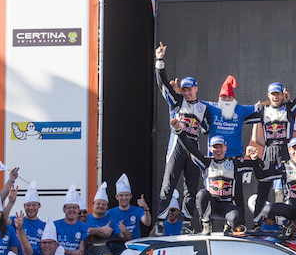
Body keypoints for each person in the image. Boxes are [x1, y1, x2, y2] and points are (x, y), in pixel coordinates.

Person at [250, 55, 296, 227]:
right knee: (263, 187)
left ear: (282, 95)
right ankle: (258, 223)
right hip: (268, 152)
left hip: (285, 152)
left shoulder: (289, 110)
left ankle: (292, 223)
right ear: (269, 95)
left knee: (290, 187)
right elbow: (239, 116)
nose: (275, 97)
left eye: (278, 94)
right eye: (272, 94)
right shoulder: (262, 111)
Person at [171, 120, 261, 234]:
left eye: (220, 147)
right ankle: (206, 224)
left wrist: (255, 158)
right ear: (210, 149)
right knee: (202, 194)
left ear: (225, 148)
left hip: (227, 205)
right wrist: (179, 131)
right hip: (211, 204)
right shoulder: (206, 162)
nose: (218, 150)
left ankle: (228, 225)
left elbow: (257, 167)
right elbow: (191, 148)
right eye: (215, 147)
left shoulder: (234, 164)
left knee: (237, 219)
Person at [155, 42, 209, 230]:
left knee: (191, 187)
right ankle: (160, 223)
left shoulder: (203, 107)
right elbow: (163, 86)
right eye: (184, 89)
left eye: (189, 89)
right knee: (168, 184)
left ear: (196, 88)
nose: (186, 92)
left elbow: (208, 128)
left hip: (193, 147)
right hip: (177, 144)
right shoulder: (177, 102)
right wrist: (159, 61)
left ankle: (187, 222)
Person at [11, 181, 46, 255]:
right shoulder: (16, 220)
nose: (31, 208)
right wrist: (11, 202)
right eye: (28, 205)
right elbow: (2, 219)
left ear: (39, 206)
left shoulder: (44, 226)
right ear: (24, 206)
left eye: (34, 205)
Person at [54, 186, 88, 255]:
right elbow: (51, 248)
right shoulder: (55, 225)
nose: (72, 210)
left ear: (78, 209)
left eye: (74, 207)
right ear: (64, 209)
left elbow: (81, 251)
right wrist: (70, 252)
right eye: (69, 207)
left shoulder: (83, 226)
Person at [106, 174, 152, 240]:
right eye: (121, 195)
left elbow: (147, 223)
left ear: (130, 196)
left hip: (135, 246)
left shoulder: (138, 210)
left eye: (126, 195)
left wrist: (145, 208)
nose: (124, 198)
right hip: (116, 247)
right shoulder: (110, 213)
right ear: (116, 197)